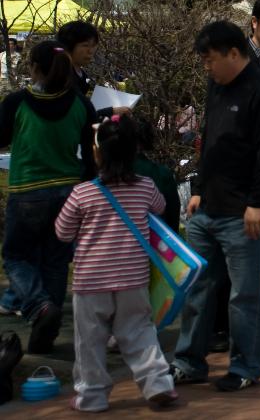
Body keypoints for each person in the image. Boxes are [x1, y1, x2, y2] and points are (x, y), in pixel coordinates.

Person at [172, 20, 260, 392]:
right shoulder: (215, 86)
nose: (206, 67)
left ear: (233, 54)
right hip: (208, 207)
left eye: (210, 59)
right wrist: (199, 188)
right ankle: (188, 361)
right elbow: (211, 139)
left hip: (246, 213)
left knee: (246, 293)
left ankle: (245, 367)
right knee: (198, 288)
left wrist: (258, 203)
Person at [53, 115, 178, 412]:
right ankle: (158, 384)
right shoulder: (145, 187)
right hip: (133, 278)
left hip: (91, 281)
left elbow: (62, 232)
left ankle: (92, 396)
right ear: (134, 151)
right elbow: (160, 208)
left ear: (97, 154)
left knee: (90, 341)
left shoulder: (82, 193)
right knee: (139, 332)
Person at [0, 40, 97, 352]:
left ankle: (38, 306)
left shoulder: (17, 103)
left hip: (28, 191)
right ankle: (46, 334)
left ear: (34, 68)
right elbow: (91, 156)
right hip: (69, 191)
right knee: (56, 261)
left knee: (16, 257)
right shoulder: (81, 104)